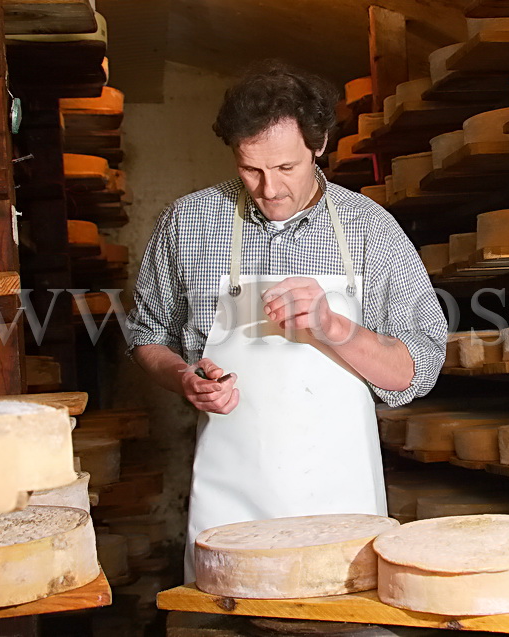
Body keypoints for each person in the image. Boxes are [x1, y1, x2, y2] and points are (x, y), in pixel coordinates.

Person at [127, 60, 448, 579]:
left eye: (285, 169)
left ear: (318, 145)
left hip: (338, 497)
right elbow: (147, 336)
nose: (269, 188)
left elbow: (417, 370)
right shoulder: (188, 222)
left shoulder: (370, 230)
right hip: (231, 498)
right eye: (251, 169)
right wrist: (184, 378)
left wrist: (335, 327)